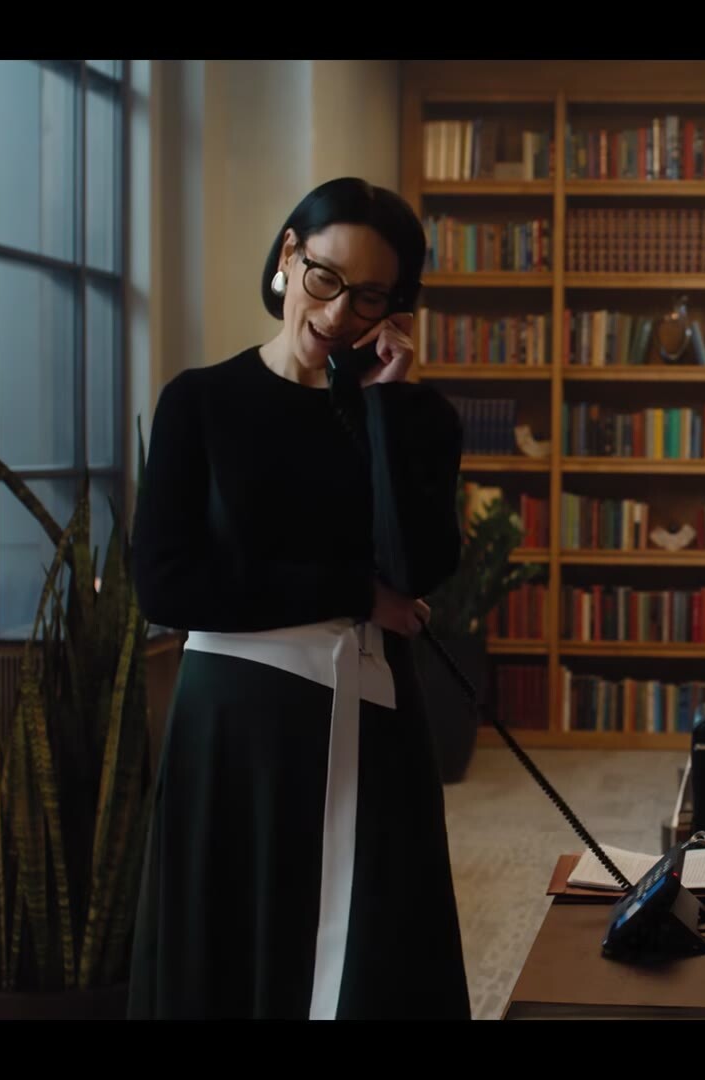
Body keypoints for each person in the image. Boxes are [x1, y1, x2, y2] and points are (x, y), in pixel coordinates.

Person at [127, 177, 469, 1020]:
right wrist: (352, 592)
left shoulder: (416, 418)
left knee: (375, 966)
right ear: (289, 255)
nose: (339, 312)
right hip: (232, 732)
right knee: (229, 963)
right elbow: (166, 583)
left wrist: (385, 408)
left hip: (371, 725)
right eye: (326, 277)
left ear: (397, 309)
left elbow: (416, 568)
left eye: (371, 297)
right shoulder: (198, 402)